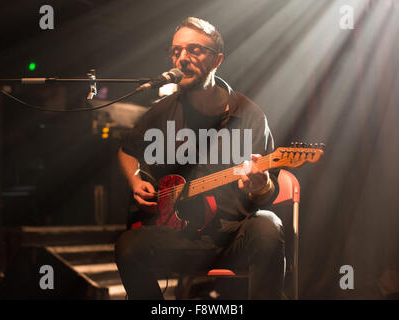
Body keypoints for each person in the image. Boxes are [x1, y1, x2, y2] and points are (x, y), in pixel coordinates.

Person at [115, 17, 285, 299]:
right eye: (176, 51)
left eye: (194, 50)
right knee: (127, 246)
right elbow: (127, 150)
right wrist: (135, 181)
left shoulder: (249, 114)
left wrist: (259, 186)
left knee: (268, 226)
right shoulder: (160, 112)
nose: (182, 58)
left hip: (234, 235)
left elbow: (268, 191)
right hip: (178, 238)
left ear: (217, 60)